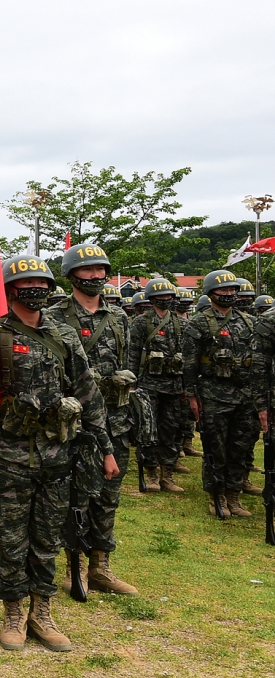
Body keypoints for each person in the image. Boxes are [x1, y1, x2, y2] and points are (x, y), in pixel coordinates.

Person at [0, 256, 117, 652]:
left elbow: (89, 394)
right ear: (11, 288)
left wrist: (105, 448)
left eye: (43, 282)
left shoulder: (65, 336)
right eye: (27, 282)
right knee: (12, 540)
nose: (37, 289)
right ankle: (14, 614)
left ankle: (42, 613)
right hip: (9, 457)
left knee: (48, 538)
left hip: (58, 455)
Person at [46, 243, 138, 596]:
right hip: (74, 423)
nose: (96, 276)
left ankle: (101, 565)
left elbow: (126, 364)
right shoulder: (55, 317)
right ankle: (75, 566)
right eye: (88, 270)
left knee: (108, 495)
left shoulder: (119, 318)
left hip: (115, 419)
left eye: (101, 270)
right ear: (71, 275)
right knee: (74, 497)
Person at [183, 269, 267, 518]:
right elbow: (189, 363)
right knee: (215, 449)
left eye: (232, 289)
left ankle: (234, 495)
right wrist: (191, 395)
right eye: (223, 290)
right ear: (211, 292)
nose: (229, 294)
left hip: (244, 396)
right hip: (213, 394)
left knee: (240, 447)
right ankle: (216, 495)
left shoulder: (248, 321)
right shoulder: (199, 322)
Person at [128, 278, 188, 493]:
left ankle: (167, 474)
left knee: (170, 430)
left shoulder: (182, 323)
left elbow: (188, 357)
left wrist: (186, 386)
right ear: (152, 298)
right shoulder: (141, 323)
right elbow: (132, 355)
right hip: (148, 385)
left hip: (173, 385)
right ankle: (151, 473)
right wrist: (132, 384)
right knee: (148, 431)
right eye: (162, 297)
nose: (166, 300)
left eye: (169, 296)